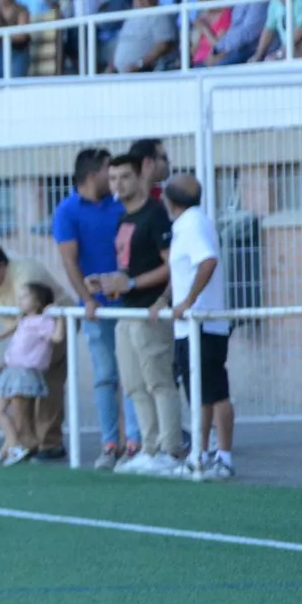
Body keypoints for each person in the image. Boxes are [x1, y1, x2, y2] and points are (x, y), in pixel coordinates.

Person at [91, 149, 185, 477]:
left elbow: (170, 264)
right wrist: (107, 282)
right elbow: (127, 268)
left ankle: (171, 450)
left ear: (140, 175)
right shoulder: (123, 218)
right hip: (125, 312)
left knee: (158, 380)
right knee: (133, 385)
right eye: (113, 177)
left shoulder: (155, 214)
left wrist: (131, 283)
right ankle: (149, 447)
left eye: (125, 176)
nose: (118, 183)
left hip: (150, 312)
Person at [50, 148, 141, 468]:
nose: (114, 177)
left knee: (133, 375)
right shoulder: (67, 210)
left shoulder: (122, 204)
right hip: (97, 310)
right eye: (108, 171)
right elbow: (68, 260)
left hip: (130, 306)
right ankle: (109, 443)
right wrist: (87, 300)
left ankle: (135, 443)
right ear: (92, 175)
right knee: (105, 375)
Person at [160, 174, 234, 479]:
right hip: (192, 327)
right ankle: (199, 455)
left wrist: (188, 301)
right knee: (199, 393)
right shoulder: (187, 224)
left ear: (169, 201)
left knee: (216, 393)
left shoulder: (192, 224)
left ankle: (225, 458)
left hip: (203, 324)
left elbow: (208, 260)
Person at [0, 243, 66, 459]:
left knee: (46, 385)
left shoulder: (26, 276)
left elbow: (26, 314)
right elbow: (17, 317)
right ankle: (26, 443)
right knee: (21, 392)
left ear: (2, 266)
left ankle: (49, 443)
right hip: (25, 332)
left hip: (46, 327)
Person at [0, 282, 62, 467]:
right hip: (11, 369)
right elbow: (6, 332)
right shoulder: (23, 320)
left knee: (20, 414)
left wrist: (60, 317)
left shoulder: (43, 321)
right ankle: (13, 445)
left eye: (25, 296)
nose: (20, 300)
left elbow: (57, 337)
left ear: (38, 301)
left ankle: (11, 448)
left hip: (25, 372)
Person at [110, 0, 178, 72]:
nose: (140, 0)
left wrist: (139, 64)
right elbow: (122, 43)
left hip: (143, 71)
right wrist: (110, 68)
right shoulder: (131, 17)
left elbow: (163, 45)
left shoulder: (160, 15)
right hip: (121, 74)